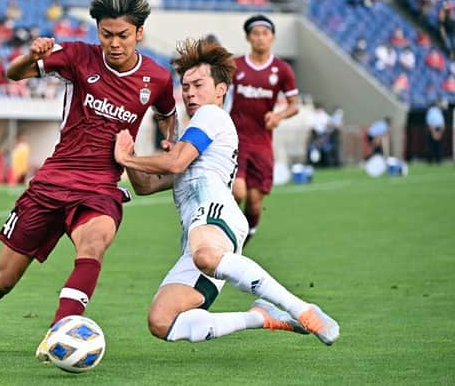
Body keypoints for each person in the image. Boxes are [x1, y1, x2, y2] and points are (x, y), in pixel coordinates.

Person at [0, 0, 177, 357]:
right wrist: (32, 55)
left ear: (139, 33)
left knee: (94, 244)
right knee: (3, 279)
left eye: (123, 35)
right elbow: (13, 75)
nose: (114, 43)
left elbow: (167, 115)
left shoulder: (157, 77)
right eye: (106, 35)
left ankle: (60, 332)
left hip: (101, 187)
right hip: (52, 182)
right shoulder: (76, 56)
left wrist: (169, 141)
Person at [114, 38, 339, 347]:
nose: (190, 92)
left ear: (220, 89)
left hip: (217, 217)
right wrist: (129, 150)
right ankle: (261, 316)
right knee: (161, 320)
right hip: (197, 236)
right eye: (186, 85)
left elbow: (176, 163)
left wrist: (129, 159)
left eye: (198, 84)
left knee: (206, 255)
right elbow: (146, 185)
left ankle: (303, 310)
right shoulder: (192, 136)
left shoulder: (211, 115)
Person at [229, 15, 300, 245]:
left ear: (273, 37)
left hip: (261, 142)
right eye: (256, 34)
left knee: (254, 201)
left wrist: (278, 115)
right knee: (237, 192)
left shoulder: (282, 70)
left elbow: (294, 105)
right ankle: (225, 239)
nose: (260, 38)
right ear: (248, 38)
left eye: (265, 34)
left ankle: (244, 239)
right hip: (235, 140)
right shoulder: (235, 67)